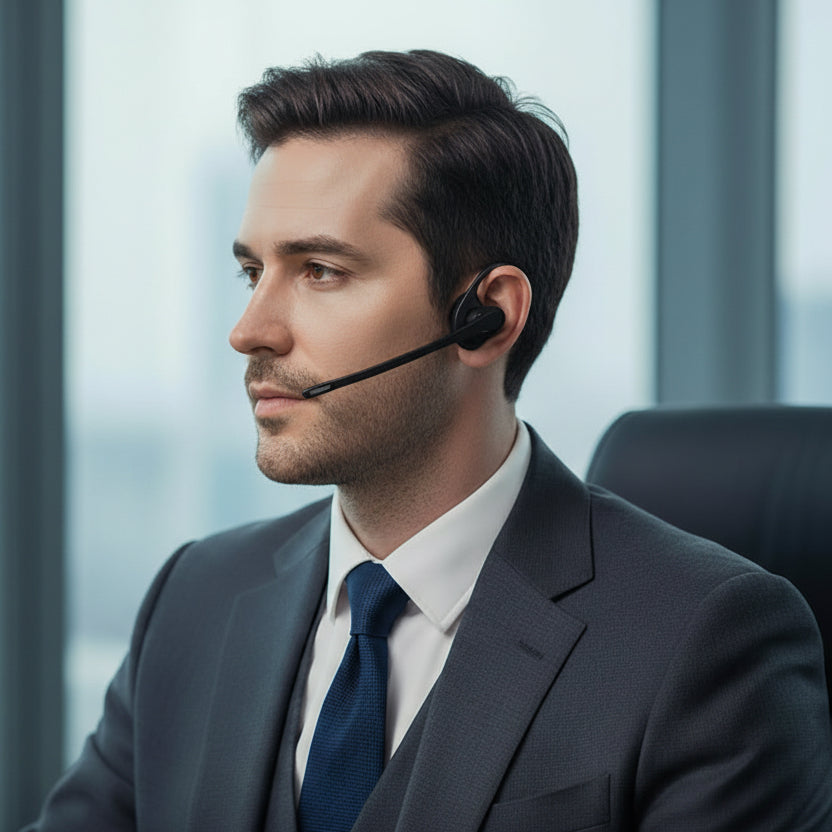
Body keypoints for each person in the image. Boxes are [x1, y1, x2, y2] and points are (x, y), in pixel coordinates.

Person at [27, 50, 832, 831]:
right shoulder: (196, 597)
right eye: (252, 272)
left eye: (321, 271)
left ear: (487, 318)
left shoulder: (708, 642)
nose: (249, 331)